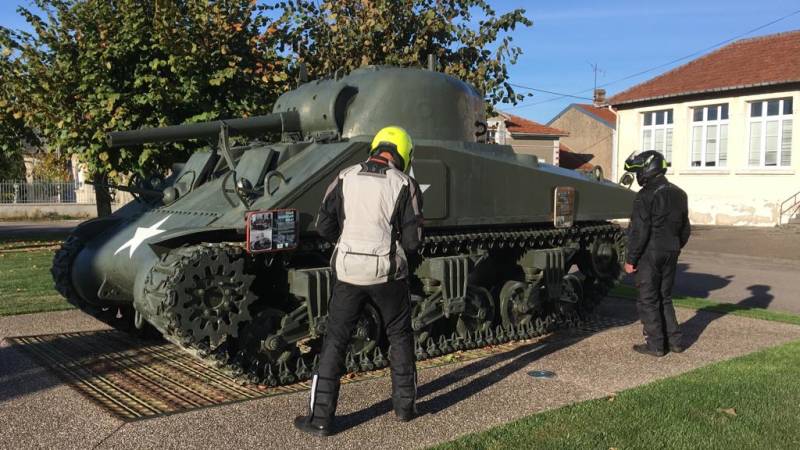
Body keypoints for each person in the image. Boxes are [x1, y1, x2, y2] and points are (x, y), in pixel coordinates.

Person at [293, 126, 424, 437]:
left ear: (375, 147)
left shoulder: (345, 176)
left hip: (348, 271)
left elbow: (324, 226)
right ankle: (405, 409)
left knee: (335, 341)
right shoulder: (405, 184)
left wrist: (348, 241)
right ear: (403, 154)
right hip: (386, 273)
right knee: (399, 336)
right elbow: (413, 241)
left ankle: (320, 420)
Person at [623, 150, 691, 357]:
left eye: (639, 171)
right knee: (665, 297)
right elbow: (685, 228)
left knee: (648, 299)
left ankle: (656, 345)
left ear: (648, 169)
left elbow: (639, 230)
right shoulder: (679, 193)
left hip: (650, 252)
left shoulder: (645, 195)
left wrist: (631, 259)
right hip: (672, 249)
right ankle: (675, 342)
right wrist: (675, 246)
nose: (638, 176)